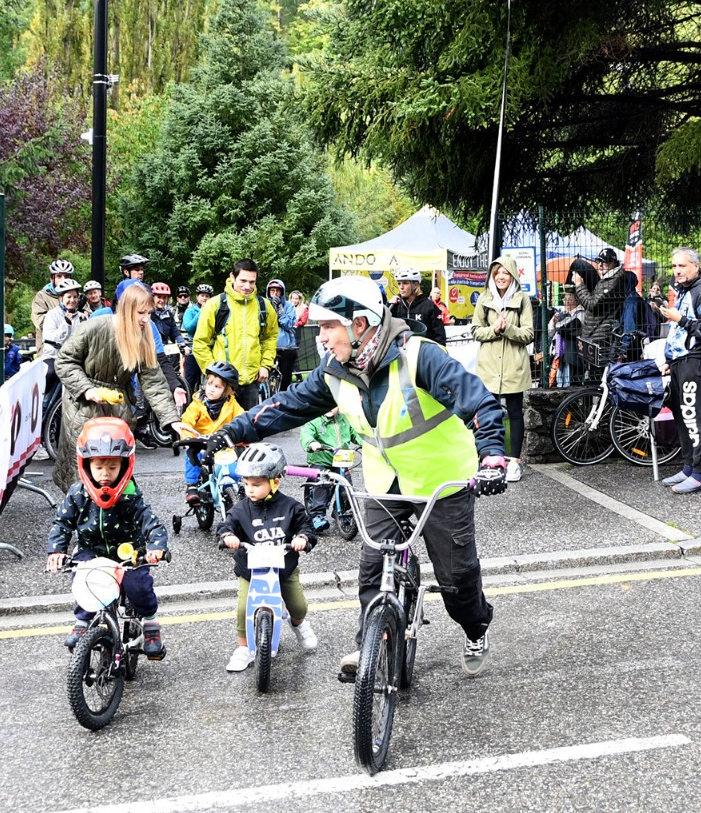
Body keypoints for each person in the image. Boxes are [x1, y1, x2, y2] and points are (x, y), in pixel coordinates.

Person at [214, 276, 509, 679]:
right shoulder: (336, 371)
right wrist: (234, 430)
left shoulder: (420, 357)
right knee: (372, 572)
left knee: (457, 581)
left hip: (442, 481)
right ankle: (369, 648)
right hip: (386, 483)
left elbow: (478, 401)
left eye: (327, 327)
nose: (321, 338)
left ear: (359, 324)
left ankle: (476, 627)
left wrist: (492, 456)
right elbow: (289, 405)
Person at [45, 417, 168, 657]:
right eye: (99, 467)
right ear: (86, 464)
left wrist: (156, 546)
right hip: (92, 549)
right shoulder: (78, 494)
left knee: (138, 586)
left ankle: (151, 622)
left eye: (112, 467)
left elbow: (150, 522)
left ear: (124, 465)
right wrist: (56, 550)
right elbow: (62, 523)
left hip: (128, 551)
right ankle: (83, 620)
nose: (105, 474)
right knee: (84, 581)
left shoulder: (130, 495)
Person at [52, 282, 182, 490]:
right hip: (83, 405)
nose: (146, 319)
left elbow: (154, 381)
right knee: (85, 469)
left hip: (118, 405)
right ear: (127, 309)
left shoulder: (143, 337)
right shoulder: (95, 327)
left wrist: (172, 419)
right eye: (141, 313)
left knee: (115, 468)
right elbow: (64, 361)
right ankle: (80, 517)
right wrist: (87, 389)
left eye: (149, 313)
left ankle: (116, 516)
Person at [216, 443, 319, 671]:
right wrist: (228, 535)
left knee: (299, 606)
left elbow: (307, 526)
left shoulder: (291, 507)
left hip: (284, 567)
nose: (250, 489)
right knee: (244, 609)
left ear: (275, 482)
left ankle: (298, 623)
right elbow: (226, 525)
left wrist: (302, 537)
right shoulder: (241, 509)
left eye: (256, 484)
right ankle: (243, 647)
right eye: (246, 484)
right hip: (250, 570)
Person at [656, 248, 701, 494]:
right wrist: (668, 359)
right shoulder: (684, 290)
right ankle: (689, 466)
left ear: (696, 265)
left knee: (694, 416)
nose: (677, 271)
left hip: (694, 361)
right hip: (679, 362)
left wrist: (679, 318)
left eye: (682, 266)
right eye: (674, 267)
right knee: (682, 416)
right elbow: (678, 334)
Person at [472, 253, 534, 483]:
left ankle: (514, 463)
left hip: (513, 366)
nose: (500, 276)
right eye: (497, 272)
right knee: (489, 414)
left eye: (505, 272)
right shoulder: (484, 299)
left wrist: (507, 329)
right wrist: (494, 330)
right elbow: (476, 330)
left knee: (515, 414)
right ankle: (489, 459)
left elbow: (528, 334)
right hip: (489, 366)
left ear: (513, 275)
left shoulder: (522, 300)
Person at [192, 258, 279, 409]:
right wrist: (213, 373)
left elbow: (270, 337)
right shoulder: (215, 304)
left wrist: (265, 365)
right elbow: (200, 342)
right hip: (222, 383)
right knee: (221, 431)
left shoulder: (264, 306)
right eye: (243, 281)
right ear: (232, 277)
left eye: (252, 282)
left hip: (251, 383)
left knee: (247, 430)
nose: (247, 286)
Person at [176, 360, 244, 494]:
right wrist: (188, 438)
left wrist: (246, 434)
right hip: (201, 442)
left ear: (227, 391)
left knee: (235, 470)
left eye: (218, 387)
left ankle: (235, 487)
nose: (211, 388)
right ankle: (192, 485)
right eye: (209, 383)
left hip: (223, 443)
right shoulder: (198, 403)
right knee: (191, 455)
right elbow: (187, 421)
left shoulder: (232, 405)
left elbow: (243, 419)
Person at [300, 406, 360, 531]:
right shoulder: (314, 419)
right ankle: (317, 514)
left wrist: (367, 443)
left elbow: (356, 434)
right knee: (322, 485)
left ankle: (342, 511)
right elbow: (306, 433)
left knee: (346, 486)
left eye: (334, 405)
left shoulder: (345, 419)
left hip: (341, 460)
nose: (330, 408)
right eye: (327, 404)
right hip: (321, 459)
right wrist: (312, 443)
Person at [570, 247, 630, 359]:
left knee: (595, 374)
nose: (600, 265)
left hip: (600, 337)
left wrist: (579, 285)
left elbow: (592, 304)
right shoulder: (607, 280)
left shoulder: (612, 282)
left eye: (605, 262)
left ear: (613, 263)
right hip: (595, 334)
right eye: (599, 261)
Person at [390, 267, 448, 347]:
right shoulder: (395, 306)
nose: (401, 287)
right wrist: (389, 306)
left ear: (415, 285)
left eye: (405, 283)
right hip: (401, 354)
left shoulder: (429, 306)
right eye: (399, 283)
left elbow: (440, 338)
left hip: (423, 354)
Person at [38, 277, 83, 370]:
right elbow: (50, 338)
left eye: (75, 297)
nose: (72, 300)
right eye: (69, 297)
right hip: (54, 356)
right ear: (61, 298)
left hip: (75, 358)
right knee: (50, 374)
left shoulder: (81, 316)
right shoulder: (51, 315)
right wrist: (65, 324)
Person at [268, 279, 300, 390]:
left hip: (286, 347)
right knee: (266, 378)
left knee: (285, 379)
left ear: (282, 292)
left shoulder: (289, 306)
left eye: (278, 291)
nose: (275, 293)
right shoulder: (265, 306)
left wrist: (281, 311)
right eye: (272, 291)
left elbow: (289, 325)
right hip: (269, 347)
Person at [31, 258, 75, 340]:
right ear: (52, 279)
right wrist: (65, 316)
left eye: (66, 276)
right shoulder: (42, 296)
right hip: (49, 346)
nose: (63, 280)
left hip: (71, 345)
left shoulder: (77, 297)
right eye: (59, 276)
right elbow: (40, 322)